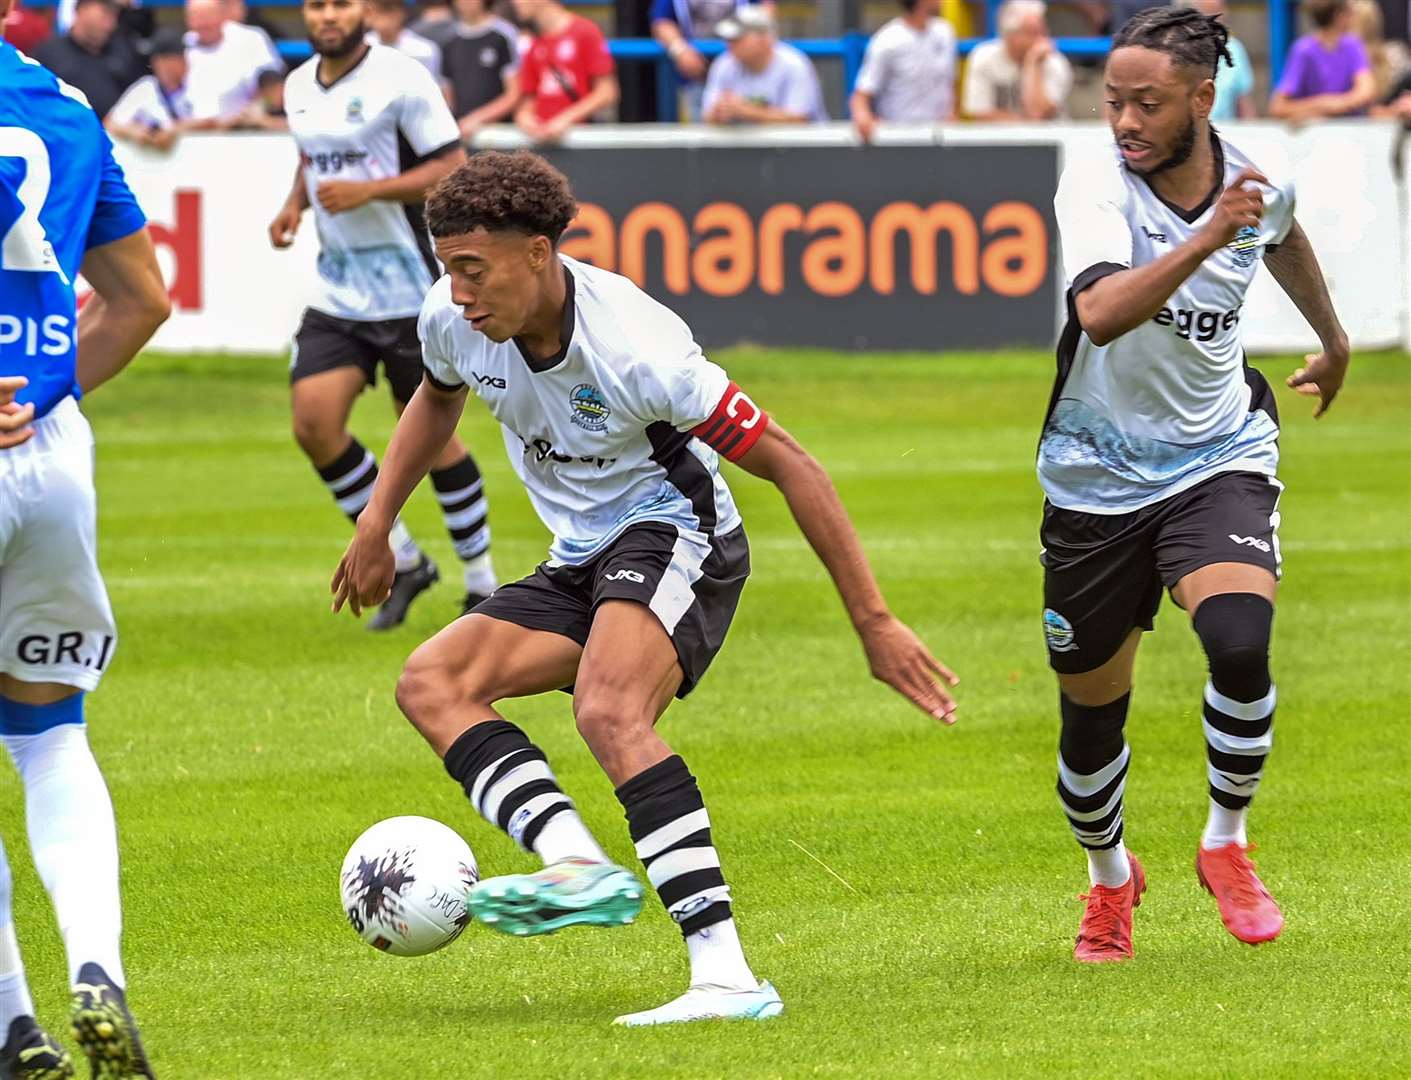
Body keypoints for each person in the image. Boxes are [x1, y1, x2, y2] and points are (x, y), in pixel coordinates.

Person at [330, 149, 960, 1026]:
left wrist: (875, 622)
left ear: (539, 254)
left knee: (607, 709)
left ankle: (726, 976)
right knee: (432, 682)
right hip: (578, 552)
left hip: (678, 530)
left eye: (474, 270)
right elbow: (436, 399)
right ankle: (574, 862)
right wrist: (375, 522)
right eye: (448, 270)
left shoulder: (640, 349)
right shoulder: (452, 315)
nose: (459, 292)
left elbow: (795, 466)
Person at [1041, 7, 1350, 963]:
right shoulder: (1093, 183)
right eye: (1112, 100)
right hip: (1092, 479)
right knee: (1091, 718)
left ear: (1200, 100)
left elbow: (1281, 232)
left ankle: (1225, 843)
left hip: (1218, 453)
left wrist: (1333, 341)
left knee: (1237, 637)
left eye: (1147, 103)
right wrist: (1211, 233)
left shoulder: (1255, 177)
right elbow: (1098, 313)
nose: (1124, 121)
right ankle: (1109, 881)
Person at [0, 2, 172, 1073]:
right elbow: (142, 302)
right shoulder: (65, 105)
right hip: (54, 460)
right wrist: (36, 396)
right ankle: (95, 968)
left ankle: (14, 1027)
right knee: (51, 730)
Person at [270, 0, 498, 628]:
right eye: (317, 6)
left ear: (364, 12)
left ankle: (481, 580)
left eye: (340, 5)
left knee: (433, 439)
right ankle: (401, 555)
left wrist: (368, 192)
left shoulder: (403, 78)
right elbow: (312, 156)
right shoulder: (296, 84)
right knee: (314, 423)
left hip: (410, 288)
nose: (327, 16)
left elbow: (452, 166)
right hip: (339, 291)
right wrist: (297, 204)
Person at [511, 0, 619, 143]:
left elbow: (607, 92)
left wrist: (565, 119)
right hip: (542, 141)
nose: (515, 2)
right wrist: (524, 118)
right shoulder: (534, 43)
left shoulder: (585, 31)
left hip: (578, 139)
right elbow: (529, 99)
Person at [851, 0, 958, 142]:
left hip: (941, 137)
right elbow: (861, 96)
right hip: (898, 138)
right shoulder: (887, 40)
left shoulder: (945, 32)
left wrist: (952, 116)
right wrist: (863, 117)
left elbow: (950, 84)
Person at [702, 5, 827, 125]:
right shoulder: (724, 63)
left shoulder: (794, 65)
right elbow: (707, 116)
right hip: (745, 146)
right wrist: (718, 113)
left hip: (802, 145)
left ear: (763, 39)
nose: (730, 45)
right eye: (729, 40)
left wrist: (744, 111)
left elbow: (800, 119)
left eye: (738, 39)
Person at [651, 0, 766, 121]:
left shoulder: (784, 62)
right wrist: (680, 50)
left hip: (743, 70)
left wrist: (747, 111)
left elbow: (763, 14)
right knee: (702, 127)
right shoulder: (722, 66)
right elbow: (661, 20)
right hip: (696, 74)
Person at [31, 0, 144, 119]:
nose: (110, 24)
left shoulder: (124, 52)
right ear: (81, 9)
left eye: (114, 15)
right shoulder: (48, 54)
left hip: (117, 133)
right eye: (105, 13)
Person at [962, 0, 1073, 121]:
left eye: (1043, 31)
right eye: (1033, 33)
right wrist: (1024, 125)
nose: (1042, 39)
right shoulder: (983, 57)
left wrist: (1033, 63)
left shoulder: (1055, 61)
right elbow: (980, 115)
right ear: (1011, 35)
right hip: (997, 138)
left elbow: (1038, 114)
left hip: (1054, 138)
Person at [1268, 0, 1376, 120]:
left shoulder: (1352, 45)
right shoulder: (1304, 51)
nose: (1353, 16)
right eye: (1349, 11)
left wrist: (1333, 105)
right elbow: (1278, 107)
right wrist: (1326, 104)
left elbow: (1366, 91)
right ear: (1339, 16)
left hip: (1349, 132)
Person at [184, 0, 283, 123]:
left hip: (242, 131)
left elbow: (275, 91)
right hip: (189, 131)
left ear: (222, 15)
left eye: (207, 16)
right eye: (195, 17)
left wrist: (255, 112)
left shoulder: (250, 39)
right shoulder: (183, 45)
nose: (202, 23)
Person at [105, 27, 199, 150]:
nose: (163, 66)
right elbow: (110, 123)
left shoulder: (197, 84)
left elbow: (214, 121)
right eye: (159, 60)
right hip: (152, 165)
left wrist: (173, 130)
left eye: (169, 60)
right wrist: (135, 132)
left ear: (183, 60)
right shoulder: (146, 87)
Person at [441, 0, 520, 139]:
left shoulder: (505, 35)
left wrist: (479, 119)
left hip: (500, 135)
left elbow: (514, 93)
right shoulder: (449, 40)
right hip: (462, 135)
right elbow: (448, 95)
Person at [1183, 0, 1255, 119]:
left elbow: (1244, 101)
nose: (1213, 19)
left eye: (1217, 11)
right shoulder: (1183, 47)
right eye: (1207, 12)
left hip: (1227, 130)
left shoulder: (1236, 49)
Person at [365, 0, 443, 80]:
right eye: (378, 11)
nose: (384, 18)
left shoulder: (423, 50)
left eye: (389, 10)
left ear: (402, 13)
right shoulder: (361, 46)